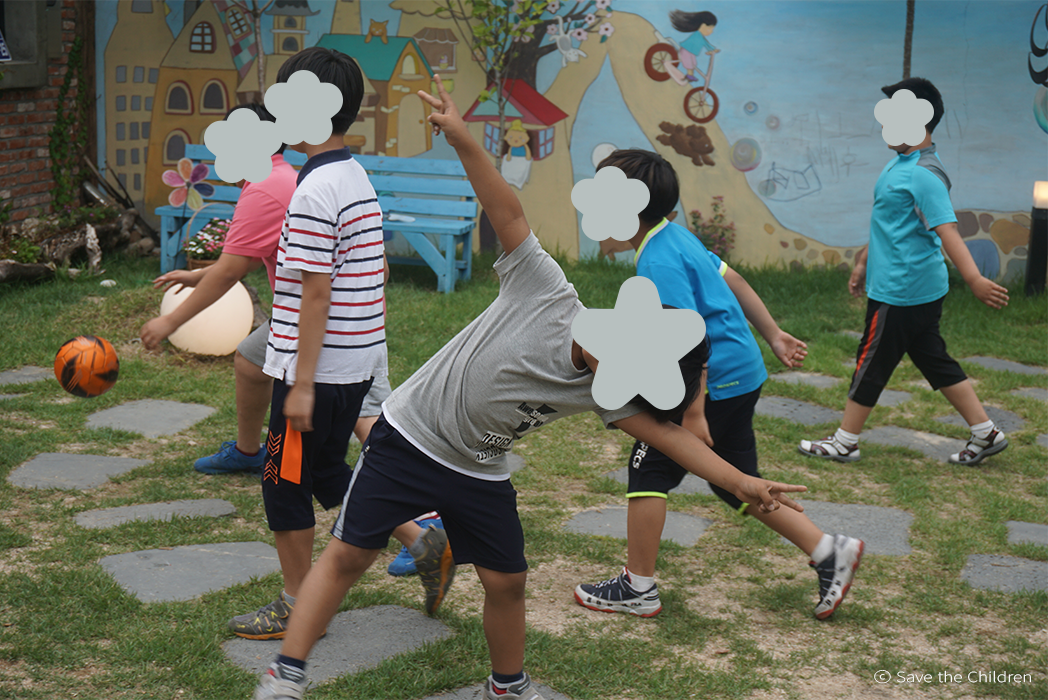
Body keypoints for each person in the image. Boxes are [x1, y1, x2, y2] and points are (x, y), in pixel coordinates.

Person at [251, 73, 808, 700]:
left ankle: (508, 686)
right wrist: (462, 137)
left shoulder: (605, 390)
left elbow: (669, 437)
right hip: (410, 438)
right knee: (350, 555)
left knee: (508, 581)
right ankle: (287, 674)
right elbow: (507, 210)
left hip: (480, 468)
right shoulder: (546, 289)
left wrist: (741, 481)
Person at [573, 149, 864, 621]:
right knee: (735, 481)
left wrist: (692, 414)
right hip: (741, 373)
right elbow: (736, 280)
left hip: (713, 384)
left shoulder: (657, 263)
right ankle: (828, 549)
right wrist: (772, 334)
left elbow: (689, 337)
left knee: (649, 471)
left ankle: (637, 586)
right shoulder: (676, 237)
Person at [229, 47, 455, 643]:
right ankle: (423, 541)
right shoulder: (352, 175)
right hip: (353, 365)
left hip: (318, 372)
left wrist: (301, 384)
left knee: (283, 482)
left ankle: (296, 604)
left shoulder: (312, 192)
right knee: (326, 468)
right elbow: (373, 268)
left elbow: (315, 294)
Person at [139, 103, 396, 475]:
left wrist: (169, 322)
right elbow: (246, 257)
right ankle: (248, 452)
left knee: (364, 412)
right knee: (250, 359)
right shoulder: (287, 176)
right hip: (346, 310)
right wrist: (198, 275)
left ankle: (410, 492)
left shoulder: (264, 189)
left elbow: (231, 272)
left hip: (331, 320)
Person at [798, 77, 1010, 466]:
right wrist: (863, 261)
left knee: (871, 361)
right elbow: (889, 222)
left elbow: (947, 231)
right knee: (932, 358)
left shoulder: (922, 174)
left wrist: (975, 279)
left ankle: (845, 441)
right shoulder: (901, 165)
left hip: (902, 290)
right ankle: (986, 432)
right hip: (910, 287)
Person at [669, 10, 720, 84]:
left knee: (693, 63)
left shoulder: (700, 37)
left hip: (690, 53)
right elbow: (706, 44)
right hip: (686, 51)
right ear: (703, 26)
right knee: (689, 64)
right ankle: (689, 76)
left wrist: (712, 50)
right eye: (710, 28)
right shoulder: (697, 35)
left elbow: (706, 44)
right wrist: (712, 50)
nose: (711, 31)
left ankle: (690, 75)